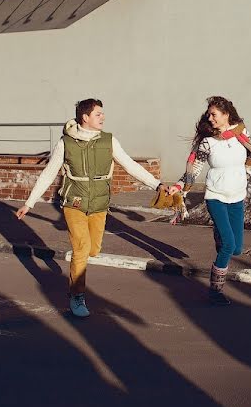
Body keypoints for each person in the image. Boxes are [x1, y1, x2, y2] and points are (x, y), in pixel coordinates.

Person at [16, 98, 166, 317]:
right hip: (73, 203)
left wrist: (158, 185)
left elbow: (130, 165)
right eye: (98, 114)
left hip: (99, 204)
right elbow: (49, 173)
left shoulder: (109, 141)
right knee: (82, 248)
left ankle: (79, 274)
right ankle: (77, 296)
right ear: (85, 117)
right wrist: (29, 203)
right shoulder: (65, 143)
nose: (103, 117)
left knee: (93, 250)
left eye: (102, 113)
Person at [168, 96, 251, 306]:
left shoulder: (242, 135)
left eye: (214, 114)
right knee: (228, 245)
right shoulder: (207, 143)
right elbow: (195, 169)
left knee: (236, 249)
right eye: (209, 115)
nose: (210, 118)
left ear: (226, 114)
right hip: (216, 196)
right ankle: (215, 291)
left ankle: (221, 236)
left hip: (237, 196)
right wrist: (179, 186)